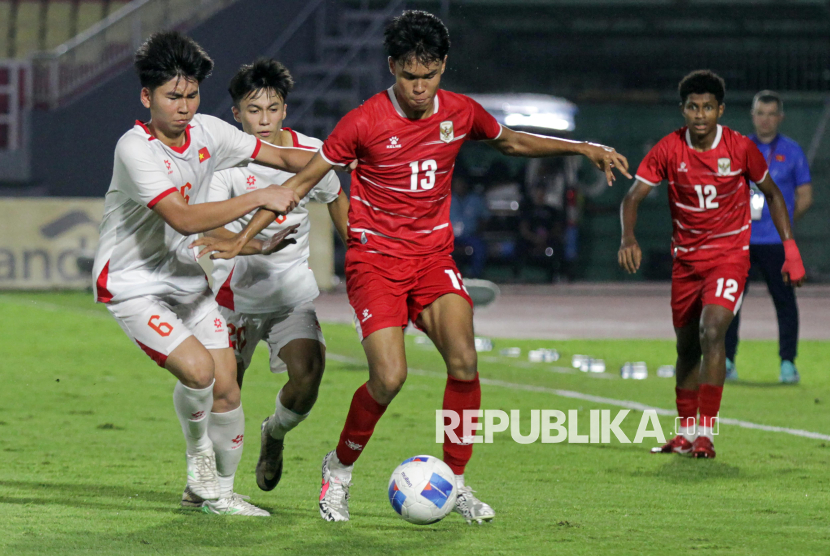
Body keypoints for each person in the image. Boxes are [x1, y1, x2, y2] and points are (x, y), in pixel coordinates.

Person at [196, 10, 630, 523]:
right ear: (392, 68)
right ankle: (338, 470)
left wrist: (582, 147)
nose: (419, 88)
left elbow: (511, 140)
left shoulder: (461, 112)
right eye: (408, 76)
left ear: (443, 66)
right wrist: (243, 238)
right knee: (389, 378)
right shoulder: (363, 121)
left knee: (464, 361)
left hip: (432, 259)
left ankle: (456, 481)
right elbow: (296, 185)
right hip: (376, 262)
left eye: (429, 75)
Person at [92, 31, 316, 516]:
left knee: (227, 386)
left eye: (192, 95)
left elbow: (281, 156)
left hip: (187, 278)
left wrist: (345, 158)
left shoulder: (210, 131)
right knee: (198, 371)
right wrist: (261, 195)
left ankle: (219, 495)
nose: (185, 107)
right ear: (147, 97)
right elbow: (183, 217)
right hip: (133, 285)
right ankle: (199, 458)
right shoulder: (135, 149)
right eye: (173, 96)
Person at [618, 70, 805, 459]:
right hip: (686, 263)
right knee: (687, 347)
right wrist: (628, 238)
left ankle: (706, 433)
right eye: (692, 107)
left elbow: (773, 194)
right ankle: (685, 433)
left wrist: (790, 249)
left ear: (720, 110)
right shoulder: (669, 148)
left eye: (707, 107)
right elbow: (633, 197)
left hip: (729, 258)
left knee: (712, 329)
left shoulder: (739, 148)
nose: (699, 114)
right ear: (683, 110)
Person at [198, 58, 349, 496]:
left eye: (272, 108)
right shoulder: (224, 163)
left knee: (308, 377)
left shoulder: (309, 151)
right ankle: (209, 483)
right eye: (253, 110)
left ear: (285, 109)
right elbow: (209, 230)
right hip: (234, 300)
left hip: (289, 295)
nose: (264, 120)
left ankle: (274, 434)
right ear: (236, 113)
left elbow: (335, 197)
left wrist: (359, 254)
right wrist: (257, 245)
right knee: (224, 396)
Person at [724, 90, 813, 383]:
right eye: (760, 113)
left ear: (780, 117)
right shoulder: (738, 148)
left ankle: (788, 363)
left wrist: (782, 223)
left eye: (771, 114)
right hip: (741, 241)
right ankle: (726, 361)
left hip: (776, 243)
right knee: (730, 302)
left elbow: (805, 196)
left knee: (785, 302)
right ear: (753, 116)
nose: (765, 119)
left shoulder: (793, 151)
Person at [450, 164, 489, 278]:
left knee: (480, 247)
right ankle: (447, 276)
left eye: (462, 183)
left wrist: (478, 231)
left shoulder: (476, 199)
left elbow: (485, 218)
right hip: (450, 237)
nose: (460, 186)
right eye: (457, 183)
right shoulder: (447, 198)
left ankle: (475, 275)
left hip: (470, 235)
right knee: (439, 248)